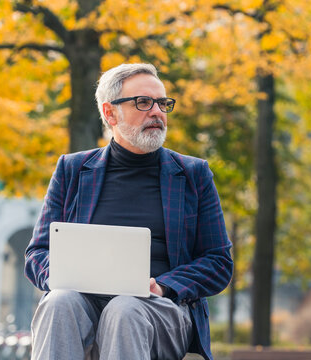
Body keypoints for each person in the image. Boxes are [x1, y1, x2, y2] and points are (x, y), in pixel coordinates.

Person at [24, 63, 233, 360]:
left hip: (159, 309)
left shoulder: (193, 174)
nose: (157, 112)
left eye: (162, 103)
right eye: (144, 103)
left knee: (124, 308)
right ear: (110, 113)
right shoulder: (71, 170)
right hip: (83, 303)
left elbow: (218, 262)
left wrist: (163, 286)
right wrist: (60, 276)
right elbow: (37, 254)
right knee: (58, 302)